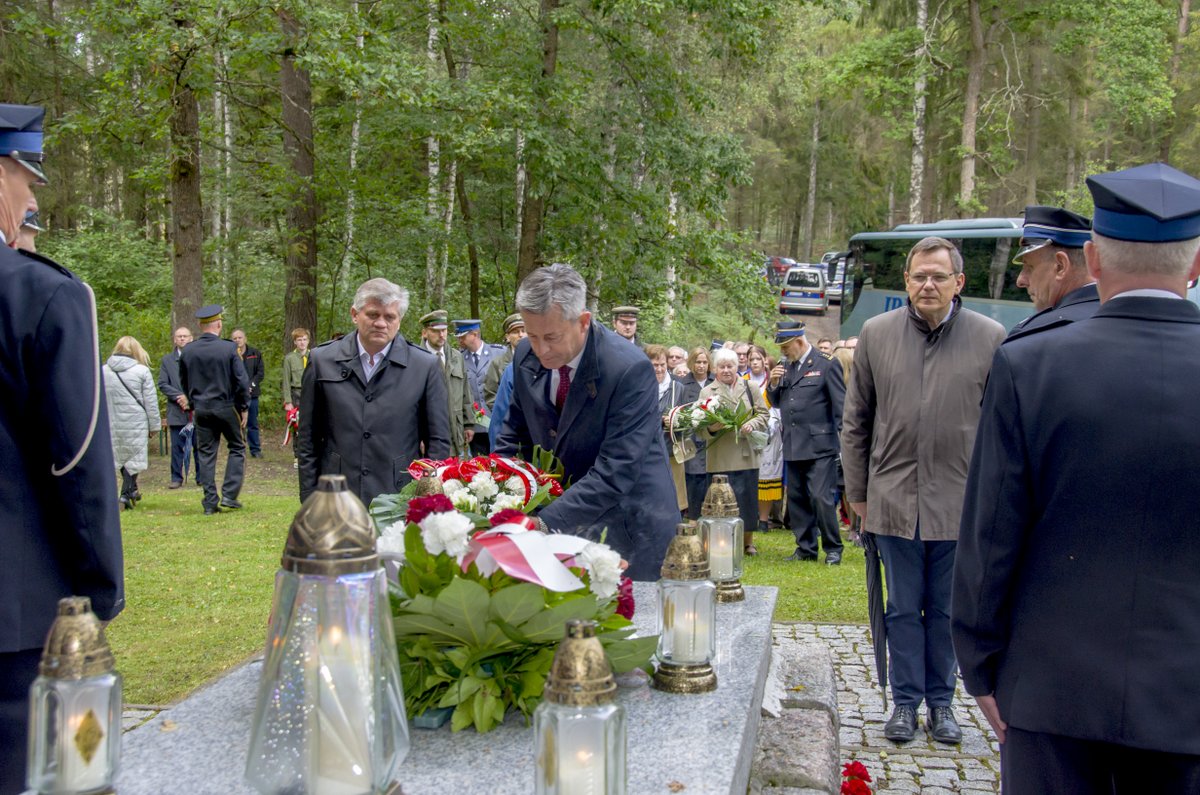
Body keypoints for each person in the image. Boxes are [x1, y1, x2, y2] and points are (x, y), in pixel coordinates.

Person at [953, 162, 1200, 794]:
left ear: (1091, 260)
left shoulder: (1030, 365)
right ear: (1195, 266)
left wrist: (981, 667)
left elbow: (991, 534)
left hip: (1051, 688)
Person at [0, 103, 123, 794]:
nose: (32, 195)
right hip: (18, 608)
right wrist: (99, 588)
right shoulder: (40, 294)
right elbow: (78, 459)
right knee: (49, 770)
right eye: (26, 177)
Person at [841, 236, 1005, 745]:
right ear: (906, 282)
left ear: (959, 282)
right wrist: (858, 494)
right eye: (918, 276)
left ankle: (943, 705)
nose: (927, 284)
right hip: (891, 500)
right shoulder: (876, 333)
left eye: (938, 276)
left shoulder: (991, 337)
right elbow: (857, 422)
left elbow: (1002, 429)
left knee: (948, 611)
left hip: (960, 504)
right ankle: (904, 704)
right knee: (900, 608)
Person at [494, 264, 677, 580]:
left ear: (583, 322)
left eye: (551, 337)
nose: (541, 349)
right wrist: (496, 492)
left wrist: (544, 522)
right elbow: (513, 432)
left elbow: (617, 469)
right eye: (532, 335)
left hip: (629, 524)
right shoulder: (525, 354)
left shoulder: (628, 369)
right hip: (559, 519)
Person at [297, 278, 451, 505]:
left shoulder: (423, 366)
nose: (381, 323)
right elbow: (308, 439)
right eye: (372, 314)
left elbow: (437, 442)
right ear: (354, 314)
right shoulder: (323, 361)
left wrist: (428, 500)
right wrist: (309, 499)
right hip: (336, 495)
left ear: (399, 320)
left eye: (390, 317)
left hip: (399, 497)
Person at [767, 321, 846, 564]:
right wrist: (772, 385)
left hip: (820, 445)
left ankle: (833, 548)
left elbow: (840, 406)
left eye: (786, 347)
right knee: (798, 499)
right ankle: (805, 548)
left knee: (821, 498)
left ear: (799, 342)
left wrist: (845, 443)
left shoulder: (826, 364)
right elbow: (778, 402)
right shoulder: (786, 366)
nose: (783, 352)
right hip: (793, 443)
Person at [179, 304, 250, 515]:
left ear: (201, 326)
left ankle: (210, 501)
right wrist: (243, 406)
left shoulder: (188, 350)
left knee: (206, 453)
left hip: (201, 407)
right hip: (226, 406)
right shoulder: (229, 348)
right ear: (219, 324)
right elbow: (241, 381)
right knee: (237, 446)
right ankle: (229, 494)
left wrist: (193, 402)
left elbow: (184, 381)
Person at [696, 348, 769, 550]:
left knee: (746, 499)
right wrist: (713, 426)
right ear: (715, 369)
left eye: (730, 366)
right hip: (720, 456)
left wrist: (752, 424)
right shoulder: (707, 392)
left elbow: (763, 414)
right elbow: (700, 427)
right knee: (720, 499)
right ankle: (722, 541)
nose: (726, 370)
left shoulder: (750, 387)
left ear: (738, 367)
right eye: (722, 366)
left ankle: (747, 542)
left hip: (746, 454)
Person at [1006, 205, 1097, 340]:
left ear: (1061, 266)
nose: (1020, 281)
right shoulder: (1127, 319)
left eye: (1030, 267)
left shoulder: (1034, 336)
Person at [103, 336, 161, 510]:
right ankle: (126, 494)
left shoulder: (104, 370)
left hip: (111, 419)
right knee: (133, 456)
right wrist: (154, 426)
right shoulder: (141, 371)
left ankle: (131, 490)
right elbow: (150, 401)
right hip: (136, 421)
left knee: (120, 455)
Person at [420, 309, 473, 458]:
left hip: (456, 431)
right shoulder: (416, 358)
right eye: (436, 331)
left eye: (444, 330)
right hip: (430, 433)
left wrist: (469, 423)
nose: (441, 335)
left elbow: (465, 392)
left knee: (458, 476)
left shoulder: (456, 357)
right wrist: (417, 436)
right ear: (425, 333)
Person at [646, 344, 688, 516]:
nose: (660, 369)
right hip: (647, 451)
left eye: (662, 364)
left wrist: (675, 420)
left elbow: (687, 421)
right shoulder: (641, 386)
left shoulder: (679, 388)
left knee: (674, 498)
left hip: (671, 450)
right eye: (655, 365)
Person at [456, 318, 506, 455]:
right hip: (476, 426)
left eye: (463, 336)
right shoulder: (459, 358)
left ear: (475, 334)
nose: (459, 340)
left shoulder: (499, 353)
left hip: (497, 422)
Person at [158, 326, 199, 488]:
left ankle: (201, 477)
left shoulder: (199, 358)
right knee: (177, 446)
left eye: (185, 336)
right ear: (175, 340)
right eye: (179, 336)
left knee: (199, 446)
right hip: (176, 410)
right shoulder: (167, 361)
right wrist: (179, 396)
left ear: (191, 338)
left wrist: (191, 398)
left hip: (197, 410)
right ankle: (176, 477)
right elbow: (162, 384)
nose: (182, 339)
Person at [754, 353, 783, 556]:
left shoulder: (772, 381)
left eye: (759, 359)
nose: (755, 362)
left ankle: (764, 519)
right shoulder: (744, 380)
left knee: (768, 474)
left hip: (772, 433)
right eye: (751, 358)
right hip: (750, 431)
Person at [680, 346, 713, 519]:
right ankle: (694, 518)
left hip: (713, 441)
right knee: (693, 481)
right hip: (691, 441)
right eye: (697, 362)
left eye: (704, 362)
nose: (701, 366)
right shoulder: (682, 384)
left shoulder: (716, 382)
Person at [230, 328, 264, 458]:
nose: (238, 340)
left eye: (240, 337)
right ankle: (239, 448)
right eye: (235, 338)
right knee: (237, 423)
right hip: (235, 396)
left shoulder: (255, 353)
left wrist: (250, 386)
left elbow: (260, 373)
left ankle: (255, 449)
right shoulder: (230, 354)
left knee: (252, 423)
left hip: (252, 395)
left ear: (245, 339)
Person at [483, 312, 527, 407]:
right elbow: (491, 396)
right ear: (507, 337)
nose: (521, 335)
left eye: (524, 331)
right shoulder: (497, 364)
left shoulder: (539, 360)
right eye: (515, 332)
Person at [282, 327, 310, 413]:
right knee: (295, 422)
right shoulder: (289, 358)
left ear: (308, 341)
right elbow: (286, 381)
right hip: (296, 394)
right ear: (295, 342)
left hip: (311, 393)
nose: (302, 342)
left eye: (305, 339)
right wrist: (288, 401)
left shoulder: (314, 356)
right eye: (299, 340)